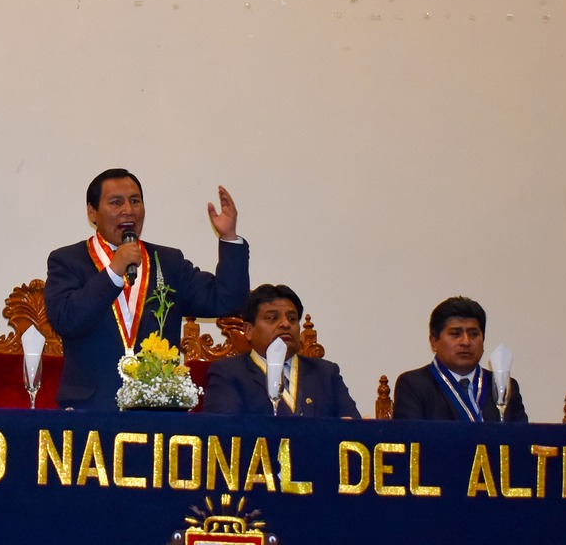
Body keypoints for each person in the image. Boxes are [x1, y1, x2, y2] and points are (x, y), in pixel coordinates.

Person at [44, 169, 250, 410]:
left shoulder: (168, 261)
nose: (128, 210)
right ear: (92, 212)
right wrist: (114, 271)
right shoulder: (67, 260)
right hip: (91, 409)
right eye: (115, 202)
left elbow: (227, 300)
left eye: (135, 201)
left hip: (159, 411)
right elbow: (67, 320)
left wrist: (228, 238)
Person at [201, 284, 358, 417]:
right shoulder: (228, 373)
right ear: (248, 330)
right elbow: (222, 434)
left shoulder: (326, 373)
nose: (285, 324)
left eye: (292, 319)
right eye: (272, 318)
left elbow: (353, 430)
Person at [392, 296, 527, 422]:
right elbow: (411, 440)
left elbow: (524, 440)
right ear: (434, 342)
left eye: (473, 334)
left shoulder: (502, 386)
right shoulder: (414, 385)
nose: (466, 342)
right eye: (455, 334)